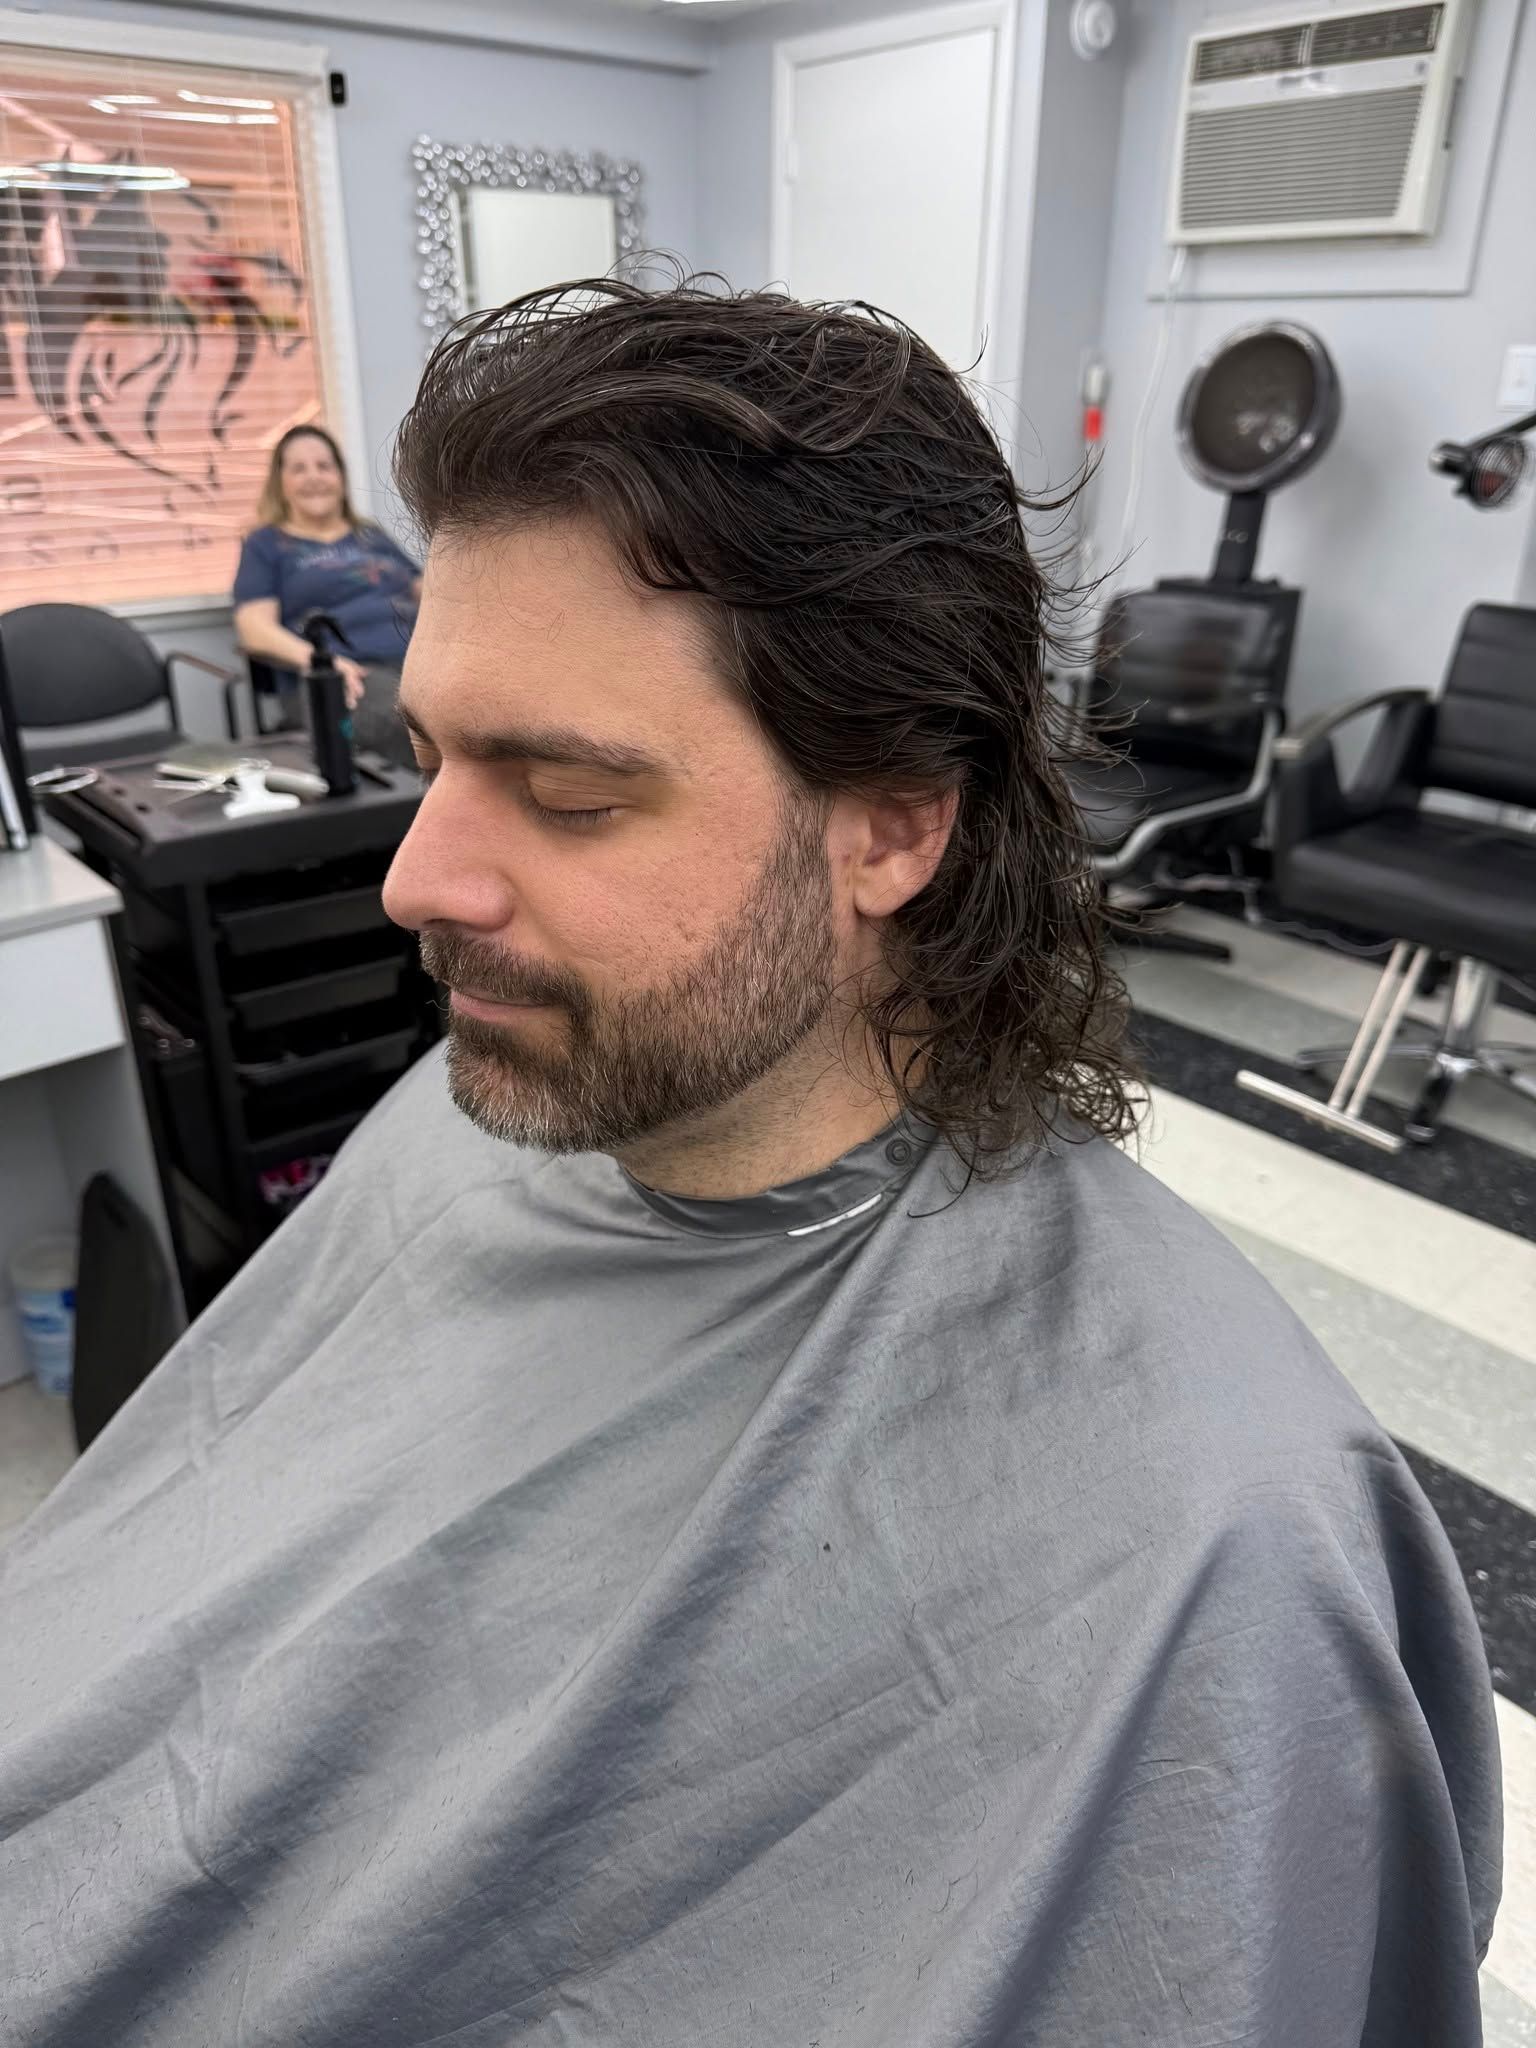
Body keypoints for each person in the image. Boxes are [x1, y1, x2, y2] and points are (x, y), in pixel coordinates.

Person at [0, 282, 1500, 2046]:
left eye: (565, 794)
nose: (415, 879)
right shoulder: (481, 1110)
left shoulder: (1212, 1522)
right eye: (430, 759)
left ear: (893, 821)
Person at [232, 423, 420, 760]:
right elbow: (254, 629)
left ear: (340, 477)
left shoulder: (370, 535)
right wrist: (324, 664)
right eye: (298, 469)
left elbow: (431, 591)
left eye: (323, 466)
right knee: (416, 721)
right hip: (345, 673)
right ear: (281, 483)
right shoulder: (266, 544)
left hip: (415, 660)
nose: (313, 477)